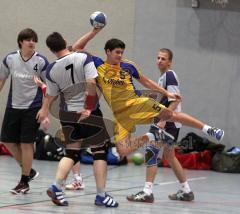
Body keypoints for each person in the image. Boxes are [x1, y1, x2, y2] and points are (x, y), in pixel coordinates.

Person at [71, 27, 224, 159]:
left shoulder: (128, 66)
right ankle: (151, 136)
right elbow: (76, 47)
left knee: (171, 115)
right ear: (108, 52)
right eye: (117, 52)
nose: (120, 55)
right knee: (122, 150)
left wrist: (167, 94)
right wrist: (94, 31)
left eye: (122, 52)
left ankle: (209, 129)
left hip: (136, 103)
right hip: (120, 115)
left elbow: (147, 82)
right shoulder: (98, 64)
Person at [37, 32, 118, 207]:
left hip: (67, 114)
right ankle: (101, 195)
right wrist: (89, 107)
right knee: (100, 152)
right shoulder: (83, 57)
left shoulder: (51, 69)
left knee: (71, 153)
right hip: (88, 113)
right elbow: (91, 83)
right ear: (66, 42)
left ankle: (56, 186)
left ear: (51, 49)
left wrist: (43, 111)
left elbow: (50, 96)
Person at [127, 48, 194, 203]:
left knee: (151, 150)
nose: (159, 60)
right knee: (169, 156)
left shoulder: (169, 76)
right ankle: (186, 191)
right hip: (170, 123)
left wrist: (164, 118)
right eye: (158, 58)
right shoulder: (162, 78)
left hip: (167, 123)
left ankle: (147, 192)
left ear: (169, 62)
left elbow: (176, 99)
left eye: (163, 58)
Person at [0, 28, 49, 194]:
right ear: (21, 41)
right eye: (28, 39)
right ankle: (29, 171)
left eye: (34, 39)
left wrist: (45, 109)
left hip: (33, 108)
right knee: (6, 141)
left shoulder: (41, 61)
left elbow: (50, 87)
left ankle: (24, 181)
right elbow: (2, 79)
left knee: (26, 143)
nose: (32, 42)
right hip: (13, 106)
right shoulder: (10, 59)